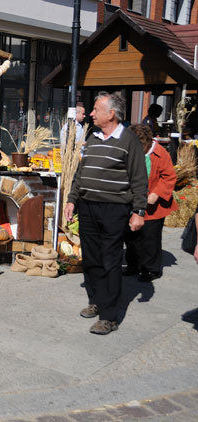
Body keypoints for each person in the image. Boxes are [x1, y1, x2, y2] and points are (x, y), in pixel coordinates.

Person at [63, 92, 148, 335]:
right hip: (88, 206)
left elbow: (139, 179)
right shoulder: (93, 136)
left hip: (114, 209)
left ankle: (109, 316)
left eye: (96, 110)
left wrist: (138, 211)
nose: (91, 113)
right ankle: (96, 300)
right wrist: (71, 200)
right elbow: (81, 172)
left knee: (111, 260)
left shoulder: (128, 140)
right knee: (91, 258)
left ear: (111, 113)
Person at [124, 124, 177, 281]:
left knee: (149, 238)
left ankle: (151, 269)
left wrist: (157, 193)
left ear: (148, 142)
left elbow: (169, 176)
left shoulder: (160, 153)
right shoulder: (129, 151)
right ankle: (133, 265)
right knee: (131, 235)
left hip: (154, 207)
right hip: (133, 201)